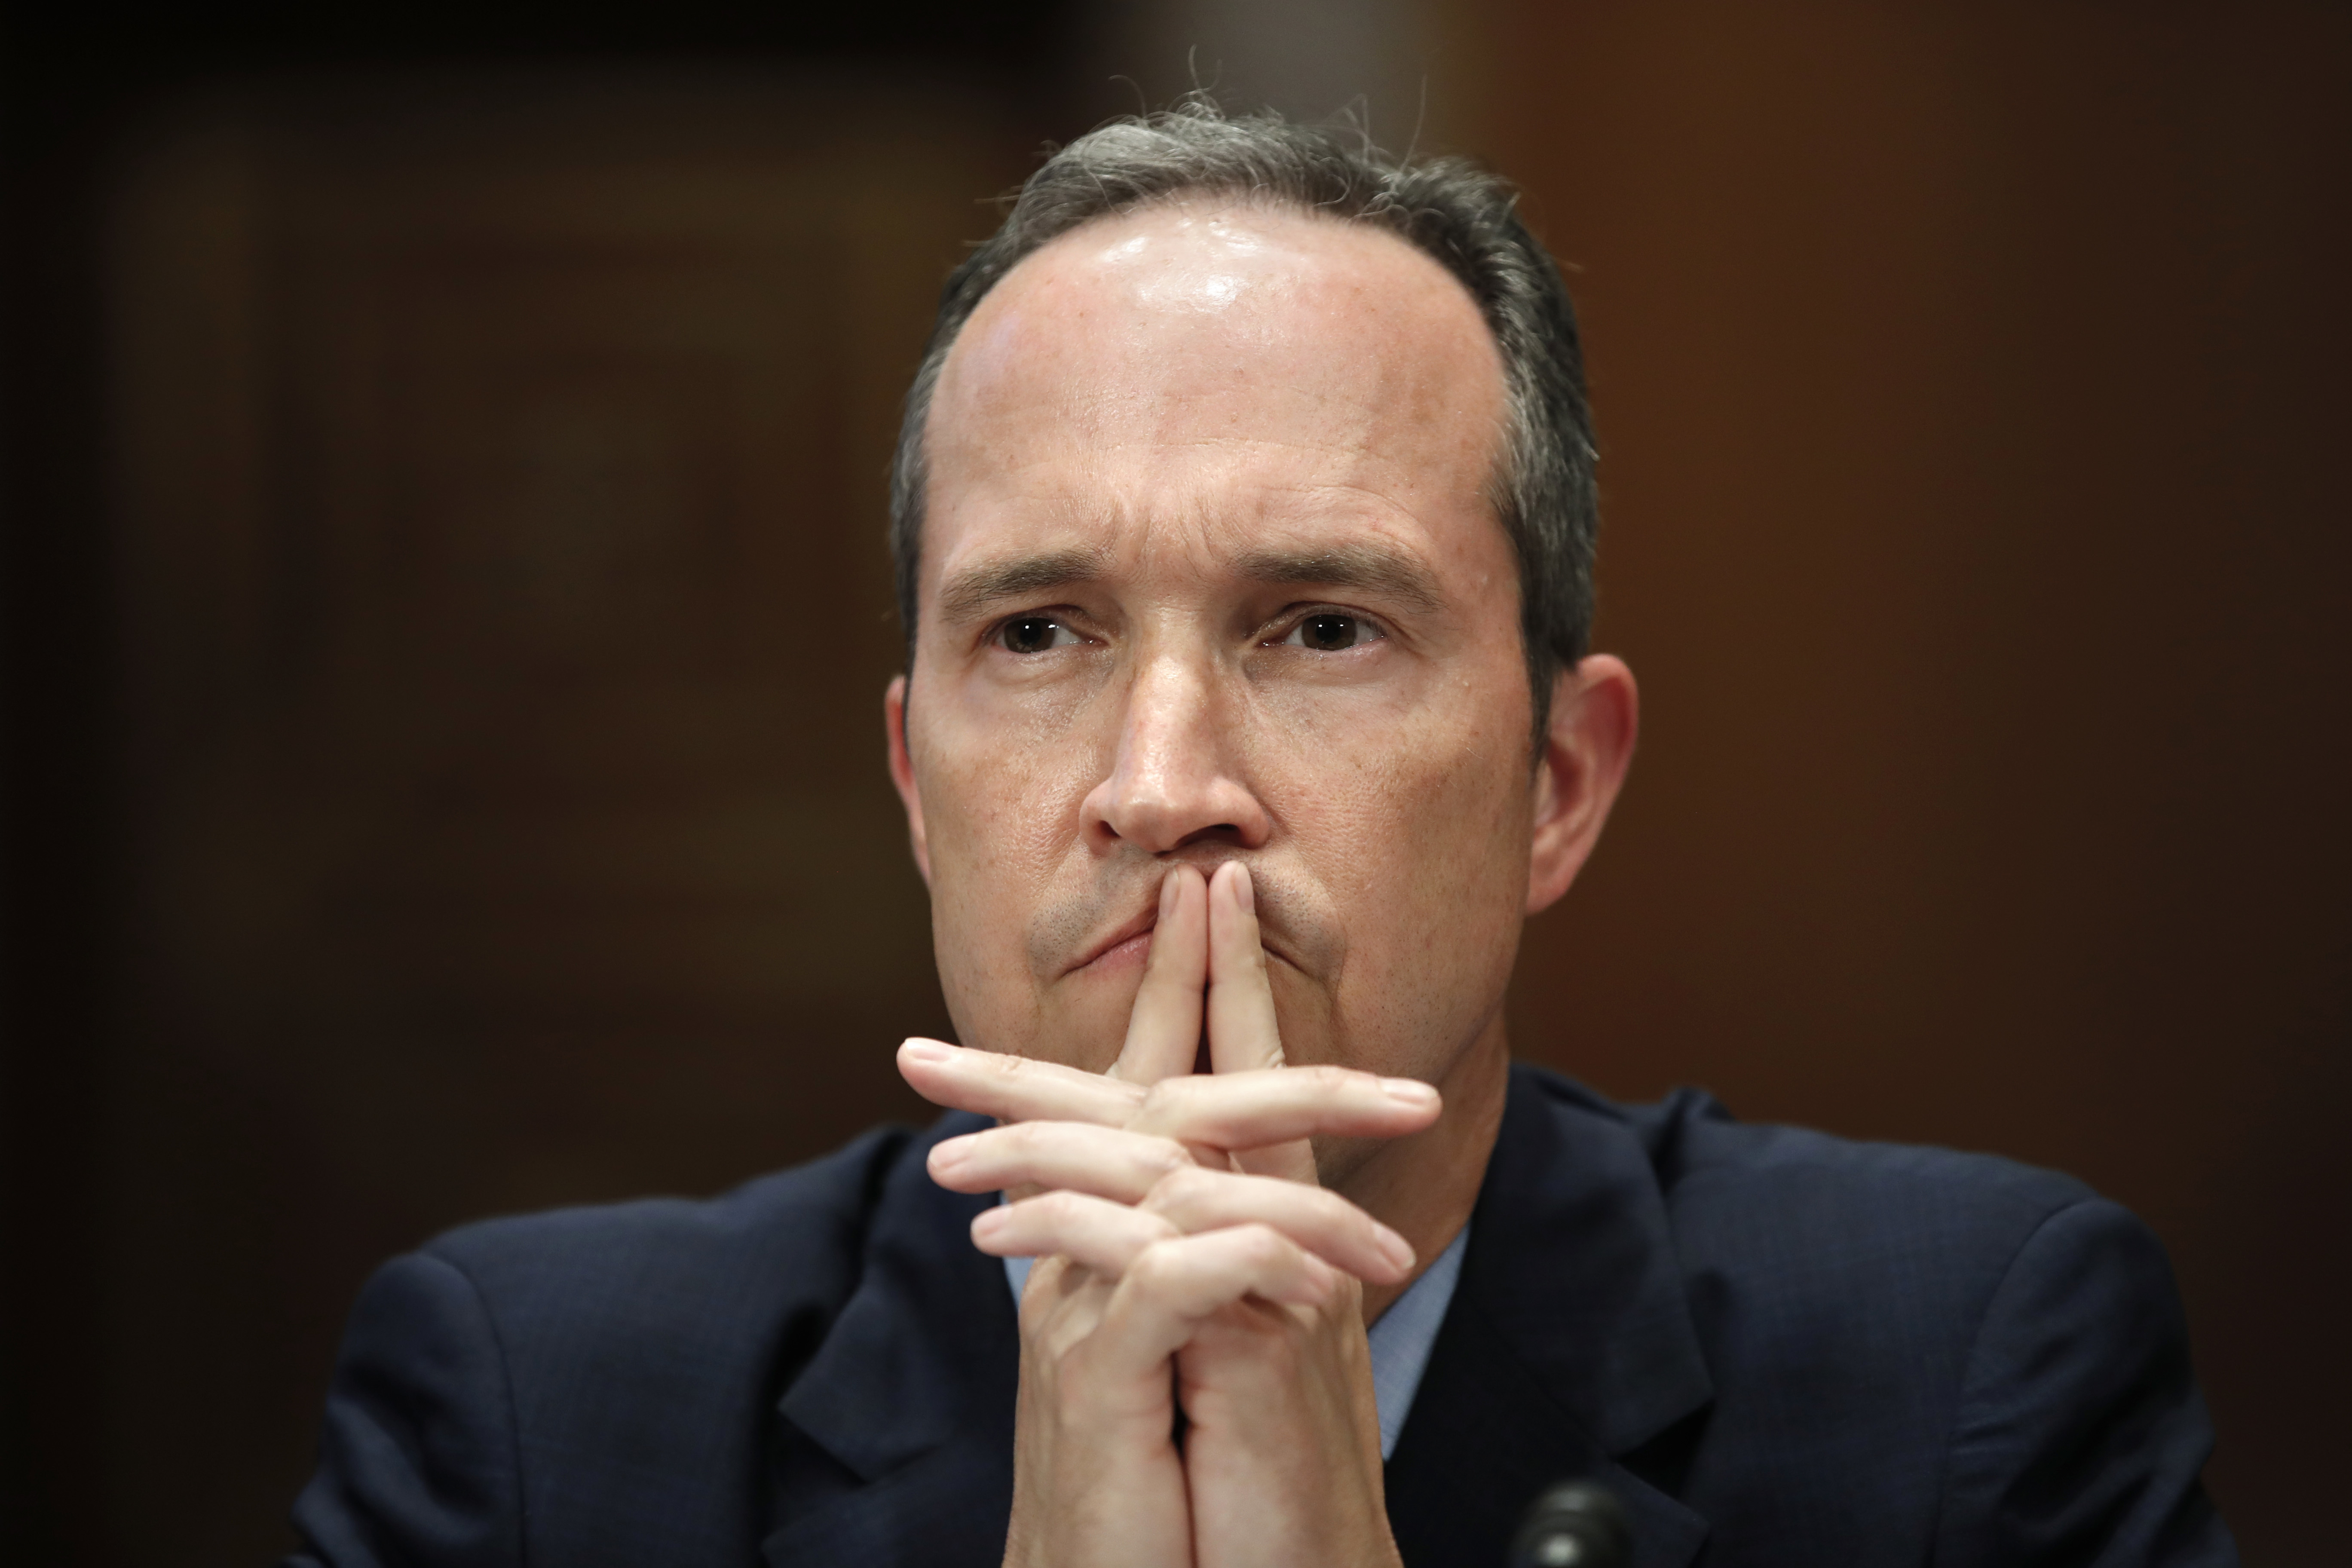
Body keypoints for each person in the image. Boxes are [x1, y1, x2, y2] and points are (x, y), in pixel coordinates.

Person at [285, 101, 2234, 1568]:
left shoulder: (1968, 1377)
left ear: (1559, 783)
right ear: (914, 788)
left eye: (1320, 628)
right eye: (1038, 634)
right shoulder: (533, 1415)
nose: (1161, 783)